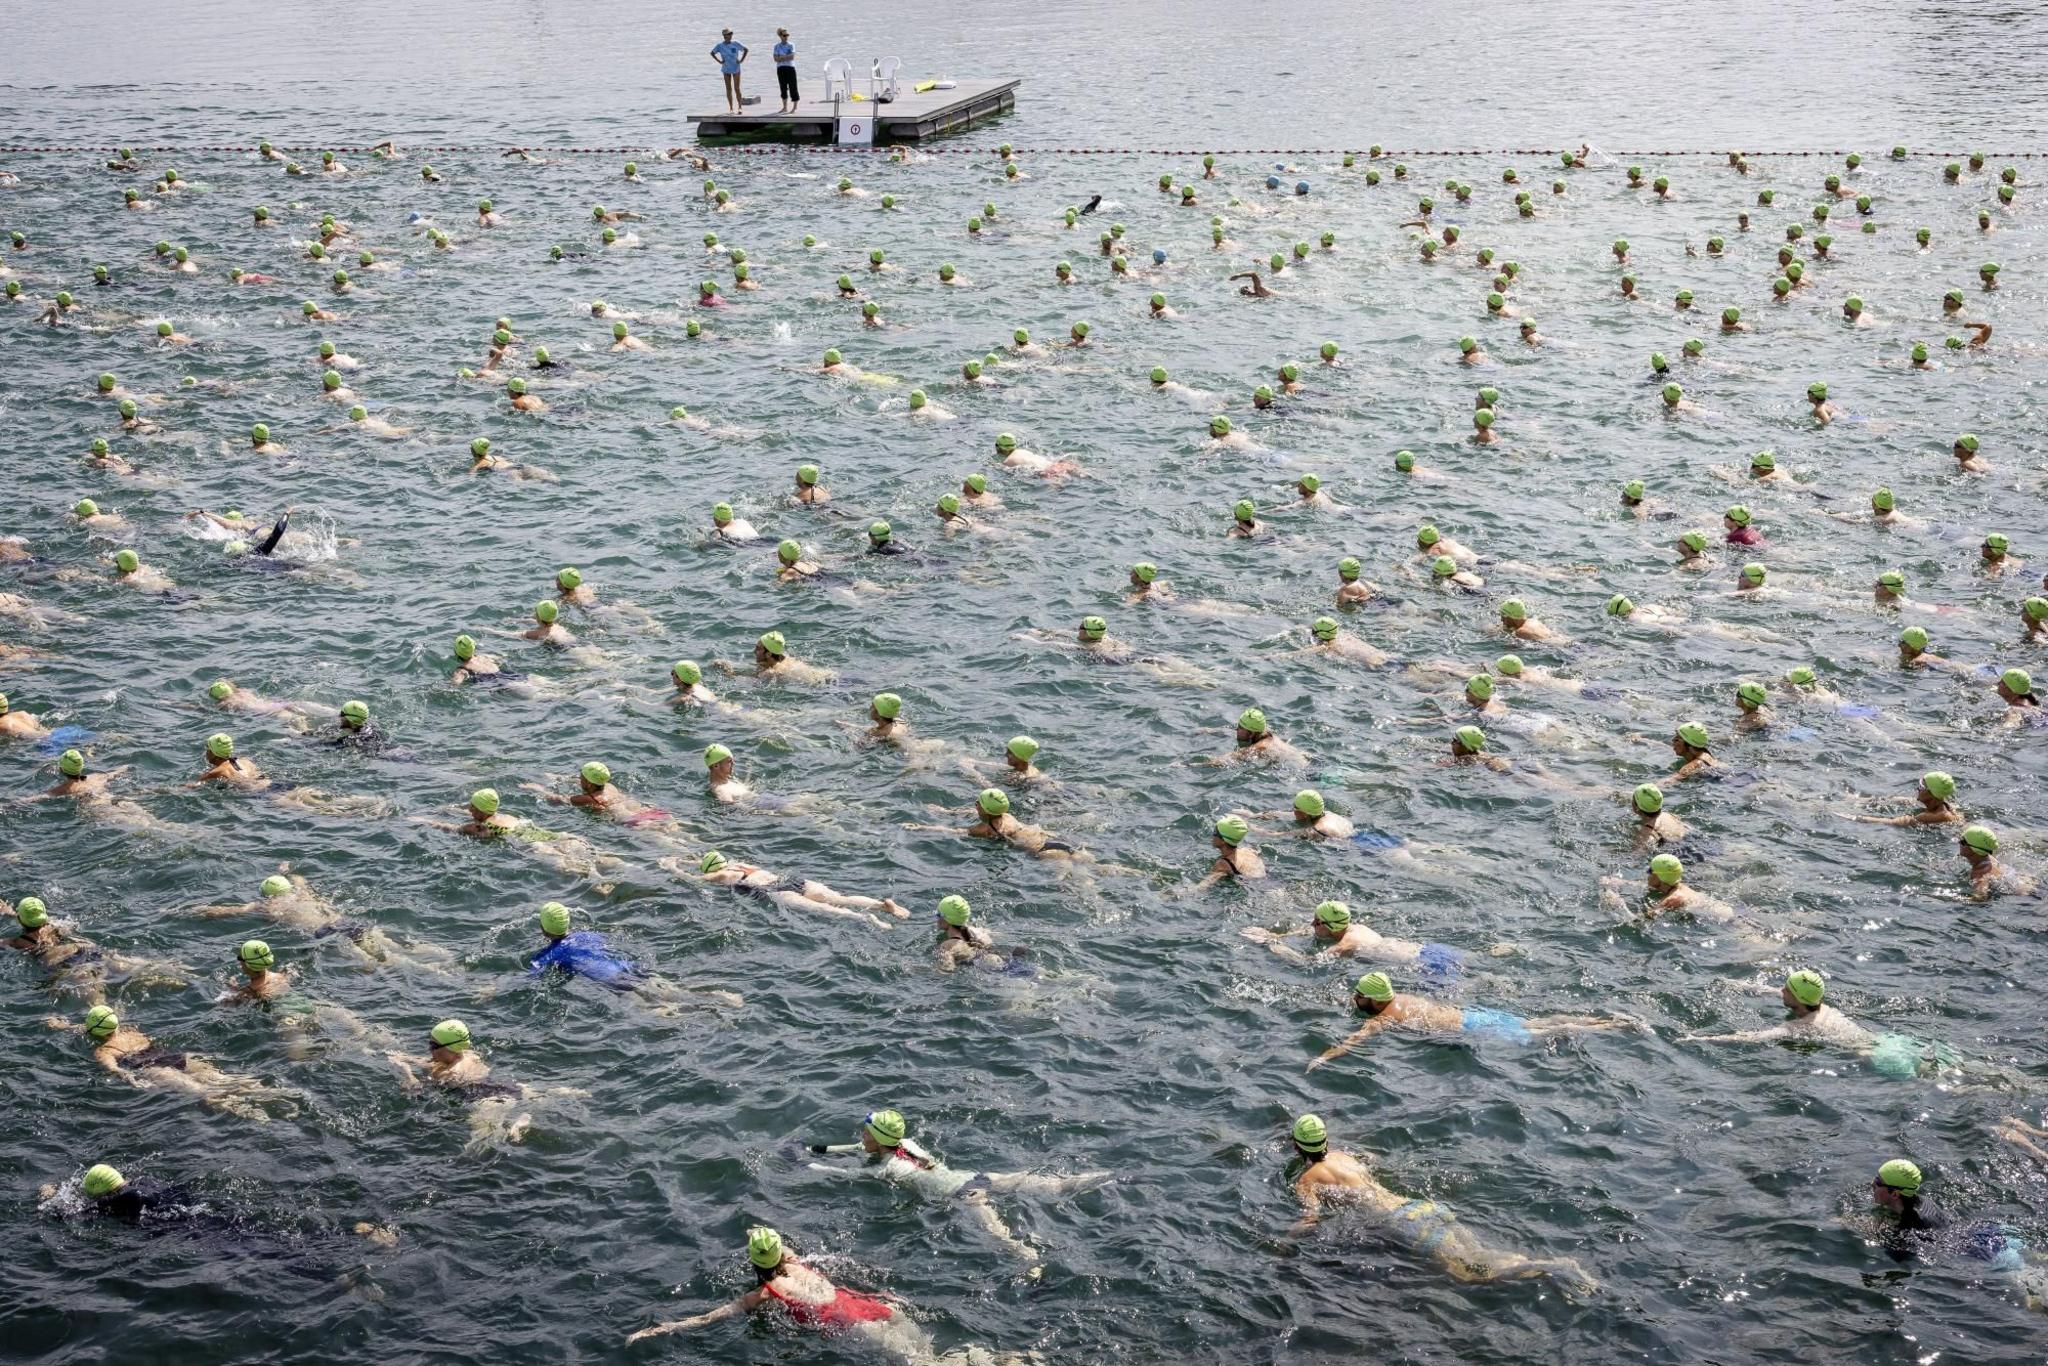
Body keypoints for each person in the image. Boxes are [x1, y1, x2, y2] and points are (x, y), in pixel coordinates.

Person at [625, 1226, 1040, 1361]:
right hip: (871, 1305)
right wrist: (760, 1230)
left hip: (853, 1323)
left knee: (923, 1364)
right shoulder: (795, 1263)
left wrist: (661, 1329)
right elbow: (777, 1243)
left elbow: (713, 1317)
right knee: (928, 1351)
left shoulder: (768, 1290)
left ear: (754, 1262)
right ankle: (999, 1359)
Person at [1286, 1114, 1595, 1294]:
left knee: (1470, 1272)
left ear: (1297, 1144)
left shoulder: (1307, 1179)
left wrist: (1284, 1241)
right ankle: (1539, 1265)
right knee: (1480, 1256)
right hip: (1422, 1207)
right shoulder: (1344, 1156)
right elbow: (1372, 1159)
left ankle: (1554, 1268)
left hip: (1403, 1222)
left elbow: (1310, 1218)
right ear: (1325, 1140)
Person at [807, 1108, 1109, 1276]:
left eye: (866, 1132)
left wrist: (812, 1167)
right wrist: (819, 1150)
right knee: (1048, 1184)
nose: (861, 1135)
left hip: (965, 1197)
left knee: (1003, 1238)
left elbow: (848, 1173)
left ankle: (1035, 1269)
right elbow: (862, 1147)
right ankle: (1098, 1179)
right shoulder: (907, 1143)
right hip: (974, 1178)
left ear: (879, 1139)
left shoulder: (884, 1168)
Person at [1309, 972, 1630, 1068]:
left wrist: (1323, 1058)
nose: (1356, 999)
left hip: (1471, 1028)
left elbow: (1353, 1041)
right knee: (1540, 1022)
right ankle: (1603, 1020)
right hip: (1473, 1015)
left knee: (1545, 1030)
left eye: (1360, 995)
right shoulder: (1402, 997)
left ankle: (1614, 1027)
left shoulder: (1383, 1018)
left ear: (1374, 1000)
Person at [527, 902, 742, 1010]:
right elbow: (608, 937)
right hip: (629, 967)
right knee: (673, 990)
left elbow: (533, 974)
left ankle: (700, 1015)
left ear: (544, 928)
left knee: (651, 1009)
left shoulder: (549, 954)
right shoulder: (588, 936)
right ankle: (719, 997)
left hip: (611, 980)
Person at [678, 850, 908, 926]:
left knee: (828, 911)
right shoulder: (740, 863)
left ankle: (871, 920)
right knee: (840, 898)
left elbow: (697, 879)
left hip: (777, 892)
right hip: (793, 881)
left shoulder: (724, 874)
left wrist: (672, 868)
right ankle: (881, 905)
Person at [1243, 899, 1465, 976]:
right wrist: (1278, 935)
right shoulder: (1353, 927)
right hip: (1429, 949)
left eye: (1317, 921)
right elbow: (1308, 930)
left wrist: (1271, 945)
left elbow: (1307, 964)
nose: (1312, 924)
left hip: (1427, 965)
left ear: (1332, 926)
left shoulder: (1347, 944)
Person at [710, 29, 748, 116]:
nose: (730, 35)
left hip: (736, 68)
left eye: (731, 33)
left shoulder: (735, 43)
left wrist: (741, 60)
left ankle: (740, 107)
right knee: (728, 88)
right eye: (728, 34)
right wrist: (719, 61)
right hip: (726, 69)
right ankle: (731, 108)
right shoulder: (720, 45)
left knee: (737, 88)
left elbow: (746, 50)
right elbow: (712, 53)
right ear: (724, 36)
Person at [772, 28, 799, 112]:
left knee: (793, 86)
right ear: (780, 36)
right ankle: (785, 107)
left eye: (787, 35)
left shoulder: (791, 45)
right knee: (783, 87)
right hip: (780, 68)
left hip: (790, 67)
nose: (786, 37)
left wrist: (781, 57)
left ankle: (794, 107)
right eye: (784, 35)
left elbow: (792, 57)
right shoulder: (776, 46)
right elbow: (775, 59)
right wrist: (785, 57)